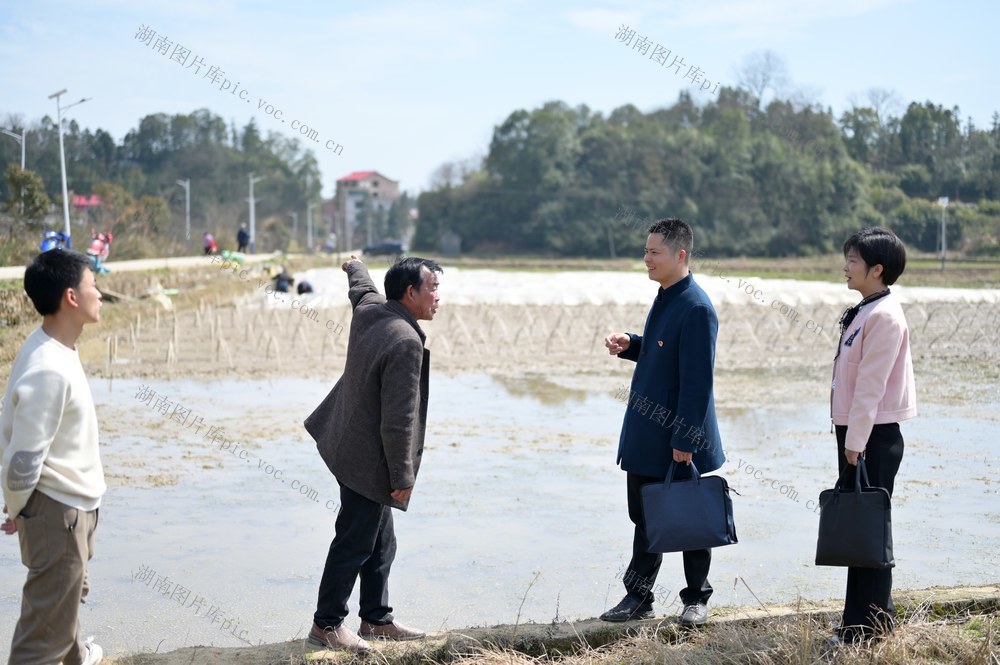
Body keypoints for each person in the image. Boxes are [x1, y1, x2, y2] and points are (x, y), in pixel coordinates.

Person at [303, 255, 442, 653]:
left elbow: (361, 288)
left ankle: (376, 618)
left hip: (345, 440)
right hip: (367, 458)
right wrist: (401, 479)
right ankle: (326, 624)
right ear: (410, 292)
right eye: (432, 288)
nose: (438, 297)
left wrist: (354, 266)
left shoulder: (372, 309)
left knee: (381, 540)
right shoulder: (405, 341)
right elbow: (399, 421)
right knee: (354, 539)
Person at [601, 218, 725, 627]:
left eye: (654, 251)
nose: (647, 258)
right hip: (646, 433)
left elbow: (696, 382)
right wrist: (632, 344)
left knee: (691, 519)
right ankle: (639, 597)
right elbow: (663, 354)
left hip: (678, 436)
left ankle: (696, 599)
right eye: (646, 250)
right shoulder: (666, 295)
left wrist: (686, 439)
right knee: (645, 518)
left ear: (680, 255)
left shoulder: (697, 307)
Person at [1, 249, 107, 665]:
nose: (100, 292)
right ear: (71, 298)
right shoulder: (49, 367)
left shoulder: (53, 345)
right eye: (92, 284)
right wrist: (18, 505)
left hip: (69, 508)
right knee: (40, 636)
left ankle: (77, 656)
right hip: (58, 514)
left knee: (62, 605)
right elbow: (24, 456)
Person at [828, 227, 916, 646]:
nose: (845, 267)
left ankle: (867, 628)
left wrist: (855, 442)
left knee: (868, 532)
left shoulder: (883, 315)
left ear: (877, 270)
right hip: (859, 434)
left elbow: (871, 386)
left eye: (853, 262)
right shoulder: (867, 308)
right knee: (861, 530)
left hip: (872, 437)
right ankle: (862, 622)